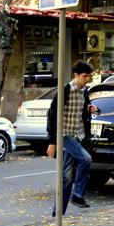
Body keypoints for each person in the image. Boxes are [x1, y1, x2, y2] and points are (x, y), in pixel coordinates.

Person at [47, 60, 99, 215]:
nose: (87, 79)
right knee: (86, 159)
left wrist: (91, 109)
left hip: (77, 135)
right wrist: (52, 141)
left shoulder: (84, 92)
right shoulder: (66, 90)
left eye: (89, 77)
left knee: (66, 178)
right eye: (85, 76)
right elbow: (52, 114)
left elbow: (83, 111)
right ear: (76, 75)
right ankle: (78, 195)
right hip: (64, 134)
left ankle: (58, 215)